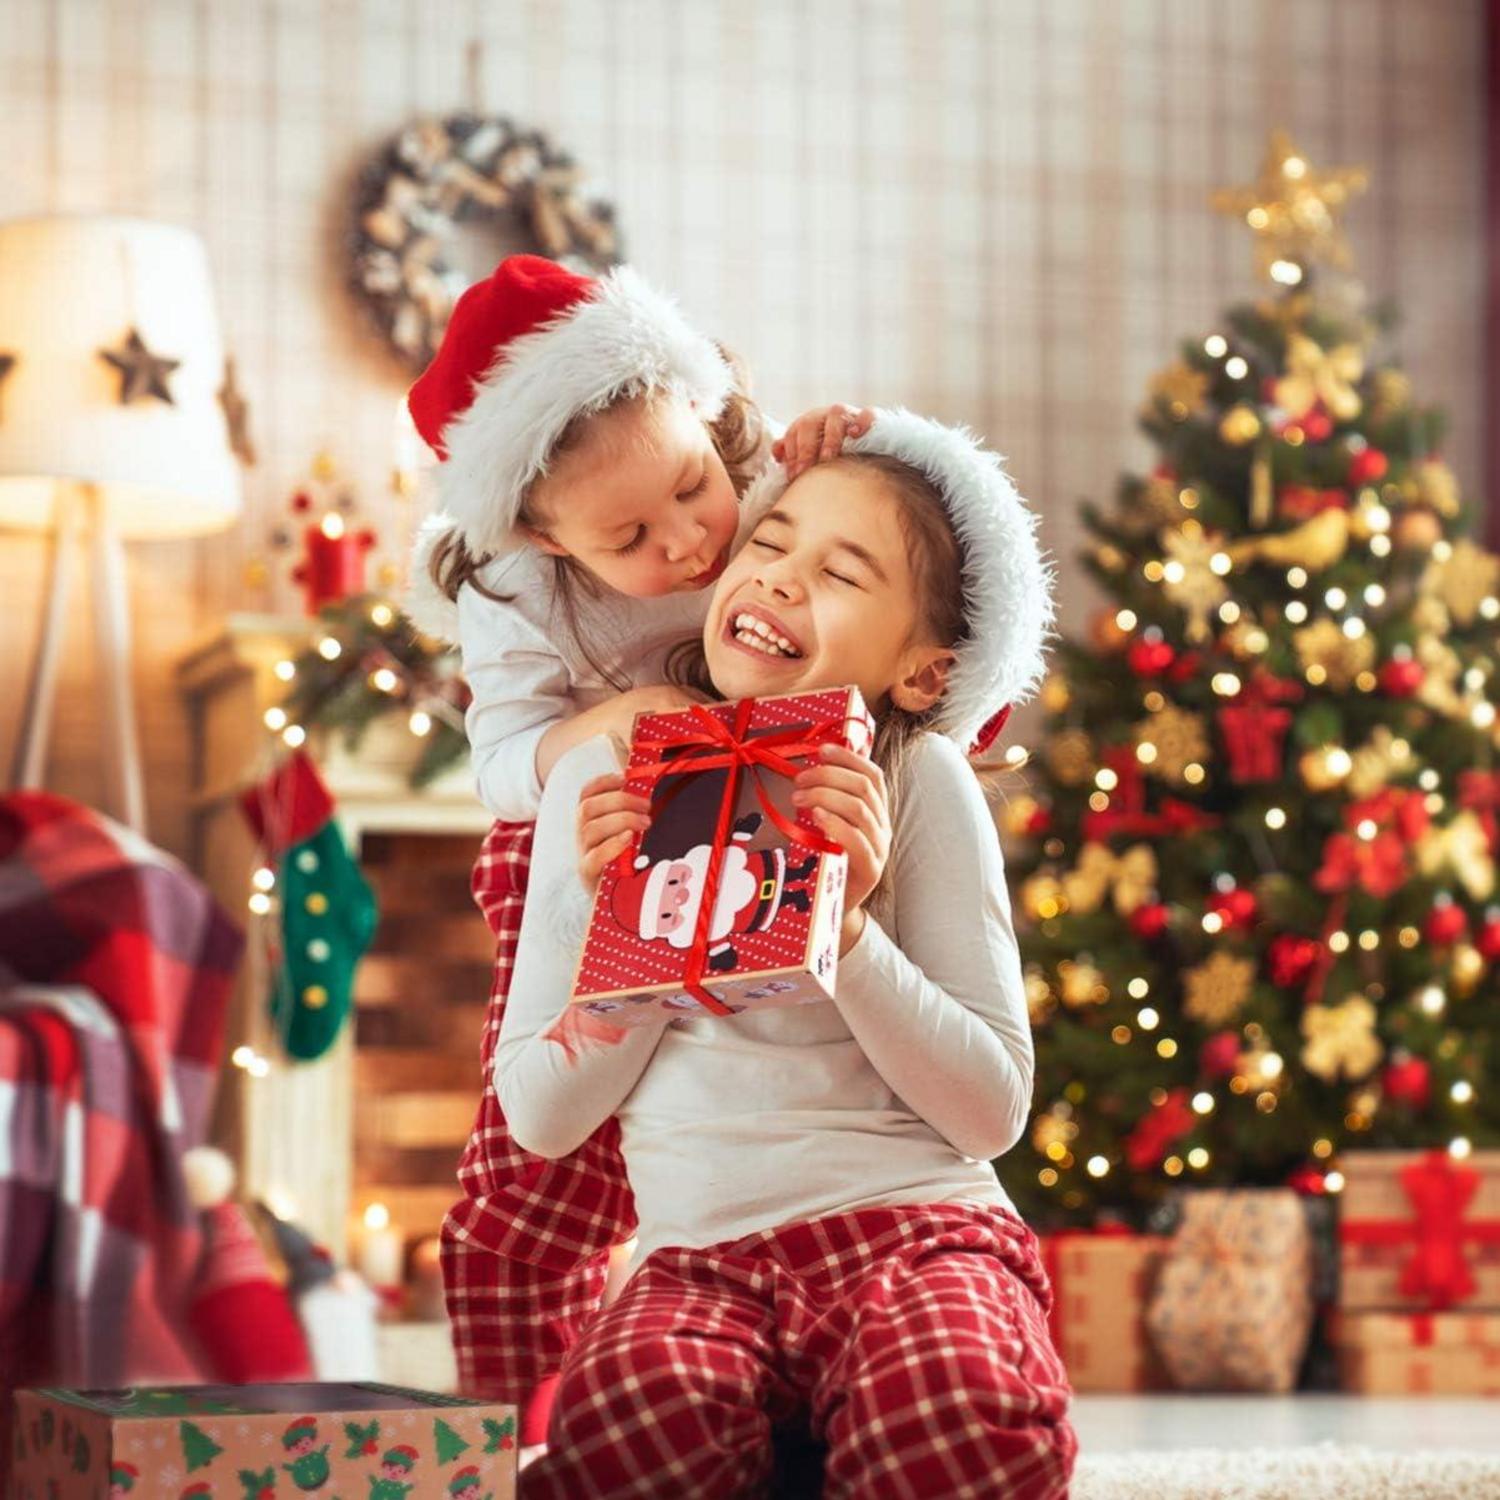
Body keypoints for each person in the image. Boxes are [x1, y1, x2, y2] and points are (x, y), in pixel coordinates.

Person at [498, 409, 1075, 1498]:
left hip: (918, 1230)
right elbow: (542, 1115)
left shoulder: (916, 780)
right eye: (769, 544)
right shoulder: (601, 780)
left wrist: (847, 928)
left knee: (961, 1406)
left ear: (918, 673)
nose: (777, 578)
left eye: (841, 572)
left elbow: (991, 1110)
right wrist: (638, 931)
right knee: (631, 1437)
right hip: (699, 1261)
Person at [403, 252, 870, 1436]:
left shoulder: (770, 482)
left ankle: (788, 1373)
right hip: (593, 842)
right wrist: (595, 728)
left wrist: (858, 464)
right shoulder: (511, 592)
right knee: (535, 1172)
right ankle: (525, 1430)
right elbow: (500, 766)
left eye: (692, 485)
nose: (687, 543)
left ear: (709, 418)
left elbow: (897, 566)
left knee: (756, 1123)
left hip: (781, 816)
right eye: (629, 536)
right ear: (545, 539)